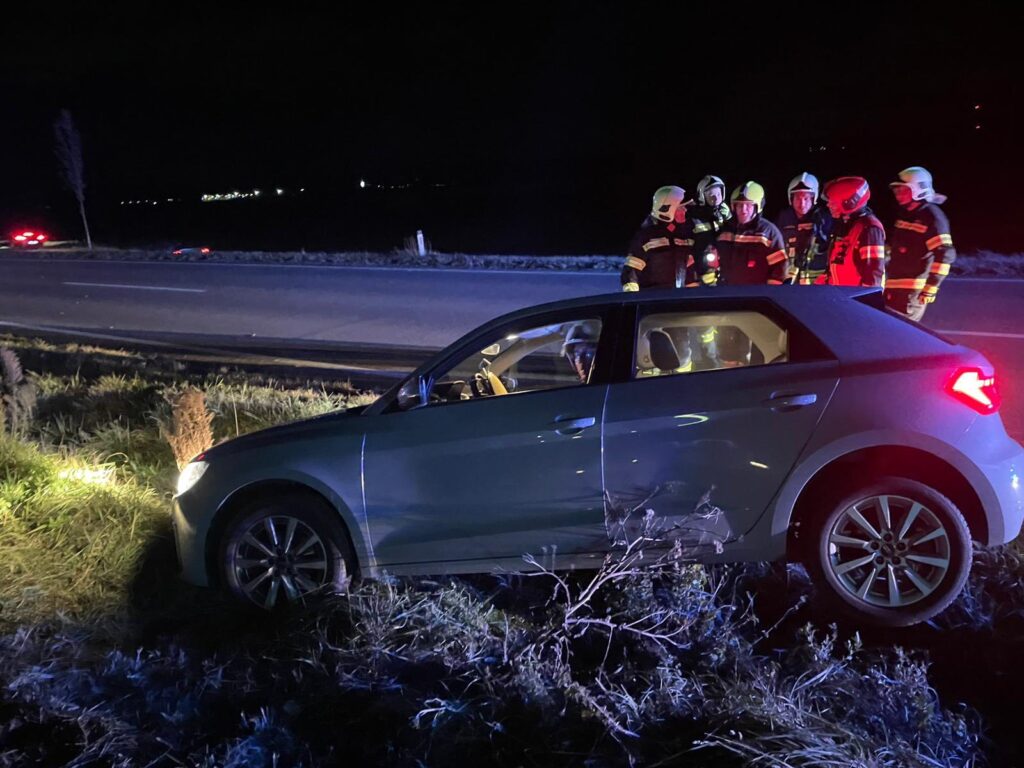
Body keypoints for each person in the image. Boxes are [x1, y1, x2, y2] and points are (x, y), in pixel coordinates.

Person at [706, 181, 789, 366]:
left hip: (759, 304)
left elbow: (780, 269)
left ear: (757, 207)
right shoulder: (725, 231)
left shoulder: (768, 232)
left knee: (762, 351)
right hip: (729, 301)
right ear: (733, 207)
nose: (743, 210)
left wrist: (769, 298)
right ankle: (731, 378)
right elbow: (714, 260)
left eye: (748, 205)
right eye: (739, 205)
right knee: (729, 350)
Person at [885, 166, 956, 322]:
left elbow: (945, 253)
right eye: (896, 191)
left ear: (918, 190)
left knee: (901, 332)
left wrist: (931, 286)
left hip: (911, 291)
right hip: (894, 286)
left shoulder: (932, 216)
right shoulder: (907, 215)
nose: (898, 195)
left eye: (903, 190)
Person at [620, 185, 698, 292]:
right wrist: (633, 296)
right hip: (653, 298)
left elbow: (689, 270)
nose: (685, 210)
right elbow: (631, 272)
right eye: (681, 208)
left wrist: (693, 296)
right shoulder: (647, 236)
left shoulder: (685, 234)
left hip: (678, 297)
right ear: (667, 209)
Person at [820, 176, 885, 287]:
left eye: (833, 202)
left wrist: (866, 298)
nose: (828, 205)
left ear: (850, 203)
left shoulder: (869, 228)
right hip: (841, 295)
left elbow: (872, 277)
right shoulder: (845, 226)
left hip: (854, 296)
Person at [776, 172, 833, 285]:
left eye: (806, 199)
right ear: (791, 198)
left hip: (816, 284)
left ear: (813, 198)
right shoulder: (783, 219)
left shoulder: (823, 219)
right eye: (798, 198)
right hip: (789, 284)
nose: (802, 204)